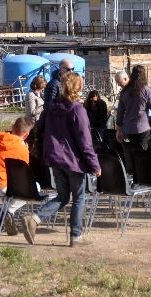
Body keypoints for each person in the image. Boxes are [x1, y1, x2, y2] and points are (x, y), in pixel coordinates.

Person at [22, 73, 101, 247]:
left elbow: (38, 128)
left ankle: (34, 219)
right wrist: (95, 164)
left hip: (55, 158)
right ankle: (76, 236)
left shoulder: (50, 107)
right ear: (78, 88)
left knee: (63, 196)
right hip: (73, 161)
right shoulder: (77, 109)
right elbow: (85, 141)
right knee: (79, 197)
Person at [115, 65, 151, 151]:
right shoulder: (146, 90)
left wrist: (119, 129)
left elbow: (120, 113)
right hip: (142, 129)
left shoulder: (124, 92)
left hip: (129, 129)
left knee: (133, 154)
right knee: (142, 156)